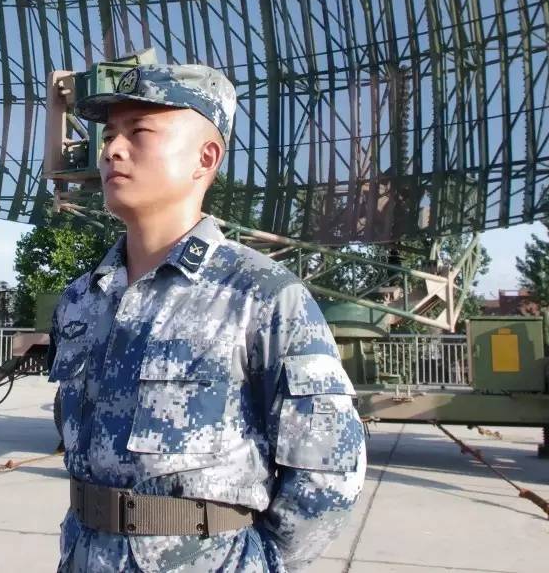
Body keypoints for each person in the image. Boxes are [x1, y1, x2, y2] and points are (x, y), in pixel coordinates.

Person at [49, 64, 366, 572]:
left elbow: (329, 473)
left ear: (206, 157)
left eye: (139, 132)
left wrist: (259, 562)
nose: (111, 150)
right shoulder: (81, 300)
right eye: (108, 136)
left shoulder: (261, 295)